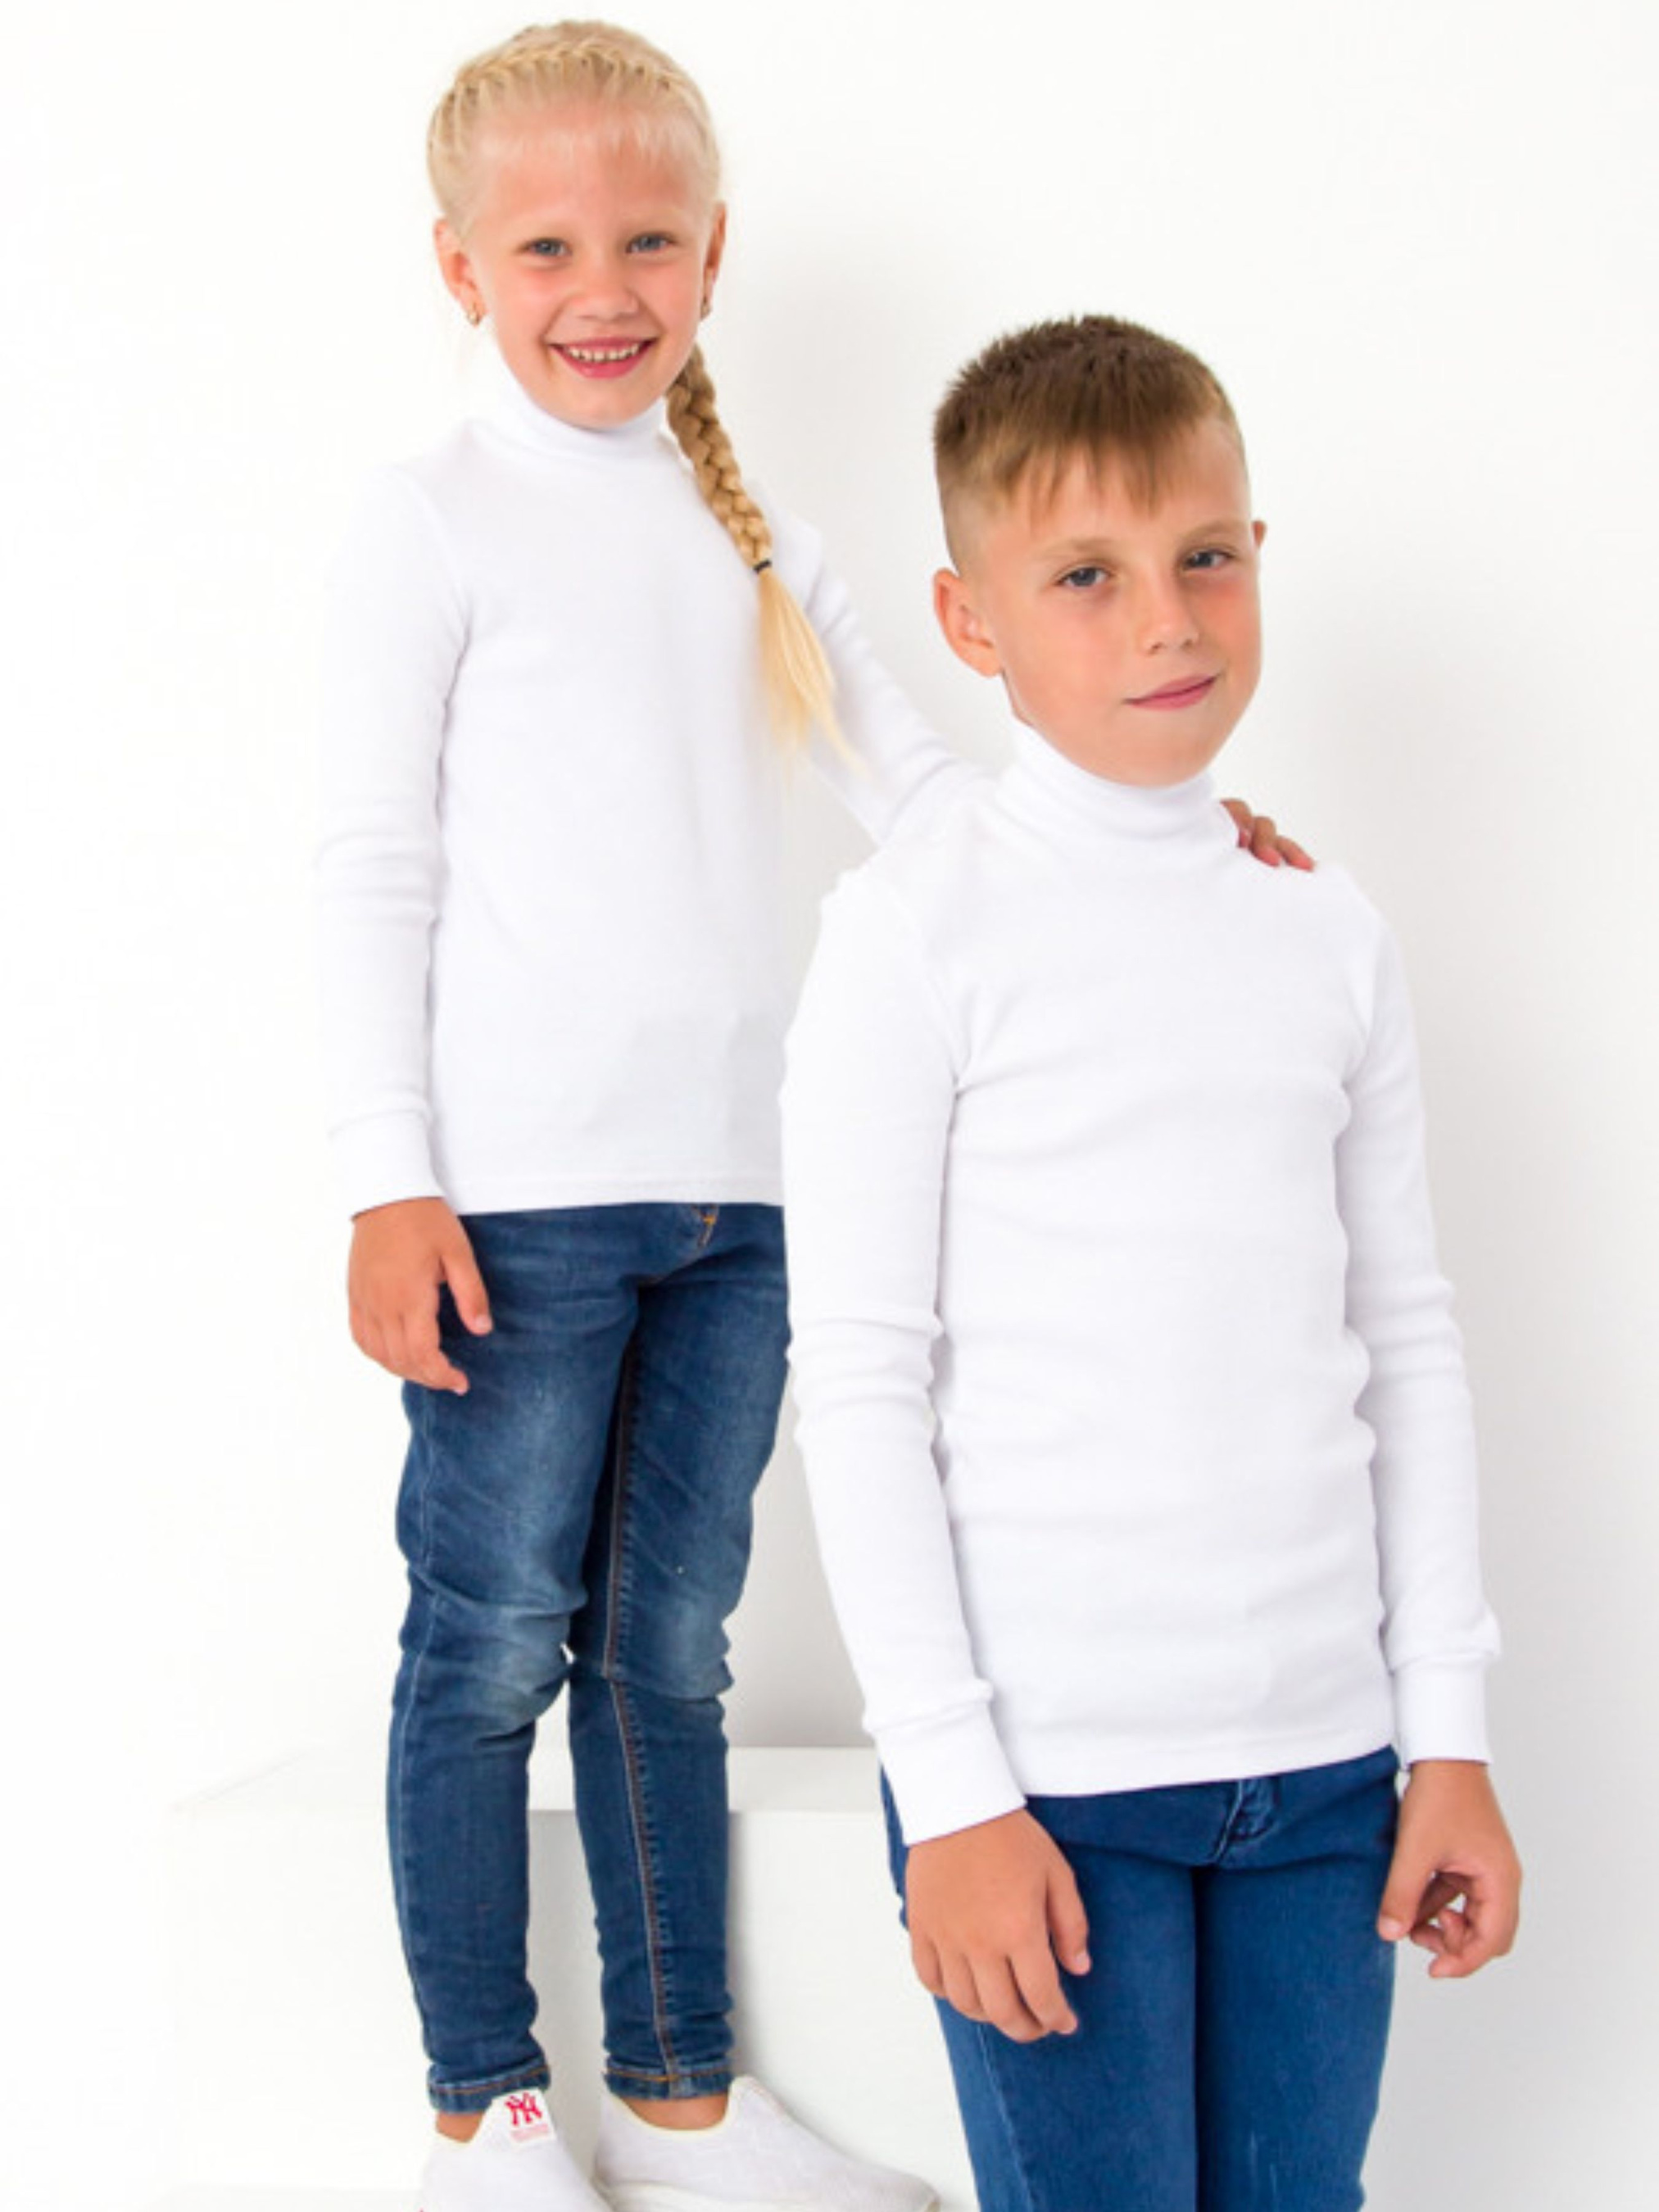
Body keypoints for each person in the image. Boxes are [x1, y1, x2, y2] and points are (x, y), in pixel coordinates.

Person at [318, 20, 1300, 2204]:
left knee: (666, 1645)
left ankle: (679, 2096)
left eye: (648, 240)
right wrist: (387, 1177)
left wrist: (1171, 842)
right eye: (547, 246)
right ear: (459, 266)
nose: (604, 287)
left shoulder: (746, 529)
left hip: (745, 1199)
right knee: (485, 1647)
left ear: (713, 250)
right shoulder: (432, 518)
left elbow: (926, 793)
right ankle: (484, 2102)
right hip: (517, 1201)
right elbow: (371, 861)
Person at [782, 315, 1521, 2212]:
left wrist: (1443, 1736)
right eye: (1083, 578)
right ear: (968, 624)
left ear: (1256, 554)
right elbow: (855, 1380)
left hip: (1326, 1773)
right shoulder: (913, 931)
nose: (1164, 623)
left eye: (1202, 558)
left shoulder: (1323, 928)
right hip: (1049, 1785)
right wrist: (950, 1791)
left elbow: (1401, 1339)